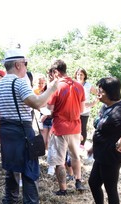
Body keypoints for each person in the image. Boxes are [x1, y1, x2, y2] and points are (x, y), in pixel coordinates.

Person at [0, 49, 58, 204]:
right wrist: (52, 89)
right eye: (25, 64)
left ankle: (9, 201)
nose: (25, 67)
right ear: (18, 65)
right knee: (29, 170)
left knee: (11, 167)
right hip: (22, 130)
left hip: (6, 131)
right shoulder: (20, 83)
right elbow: (37, 102)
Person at [47, 59, 86, 195]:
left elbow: (50, 109)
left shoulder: (55, 86)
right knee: (75, 156)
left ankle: (63, 189)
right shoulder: (79, 86)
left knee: (59, 160)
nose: (52, 75)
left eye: (52, 72)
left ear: (56, 72)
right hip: (75, 126)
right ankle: (78, 181)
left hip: (60, 127)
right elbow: (82, 109)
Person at [74, 67, 98, 149]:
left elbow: (98, 94)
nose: (79, 76)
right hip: (74, 110)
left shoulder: (88, 85)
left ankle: (81, 145)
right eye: (78, 74)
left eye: (81, 74)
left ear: (84, 76)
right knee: (74, 127)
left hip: (85, 110)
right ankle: (74, 144)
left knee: (83, 127)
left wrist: (93, 103)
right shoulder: (73, 84)